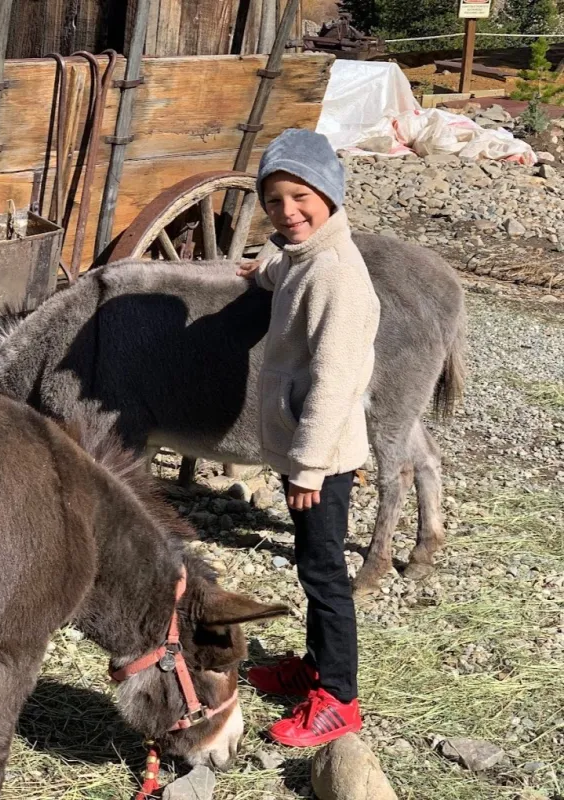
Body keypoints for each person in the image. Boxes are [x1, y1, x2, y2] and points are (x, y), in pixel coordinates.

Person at [236, 128, 380, 747]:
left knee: (323, 574)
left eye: (301, 197)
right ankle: (316, 667)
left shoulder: (339, 277)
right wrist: (262, 267)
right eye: (274, 202)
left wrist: (309, 467)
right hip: (308, 454)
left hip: (321, 457)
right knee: (310, 563)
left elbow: (336, 380)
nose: (288, 212)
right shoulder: (307, 259)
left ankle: (339, 698)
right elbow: (289, 268)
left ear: (330, 195)